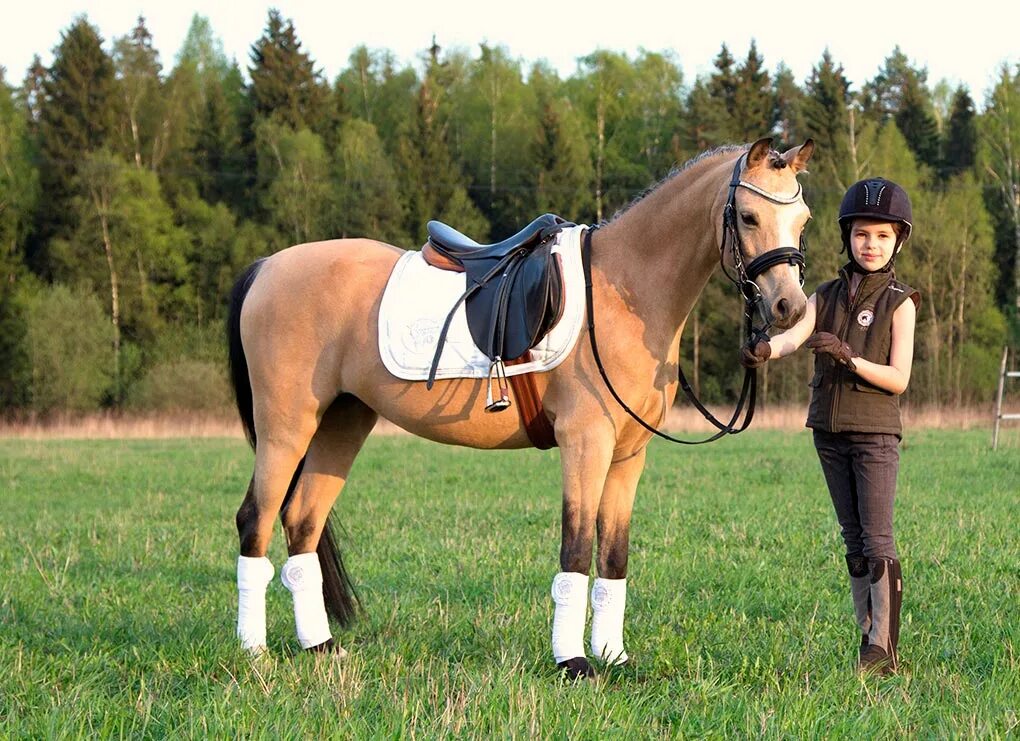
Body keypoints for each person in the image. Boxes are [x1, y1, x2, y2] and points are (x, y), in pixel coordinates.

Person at [741, 177, 920, 675]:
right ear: (848, 237)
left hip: (876, 433)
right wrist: (765, 351)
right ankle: (868, 638)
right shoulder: (826, 293)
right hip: (829, 430)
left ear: (897, 241)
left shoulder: (901, 303)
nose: (871, 245)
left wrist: (850, 358)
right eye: (863, 234)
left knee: (877, 536)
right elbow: (796, 336)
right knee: (852, 538)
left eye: (883, 236)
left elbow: (900, 379)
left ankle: (884, 648)